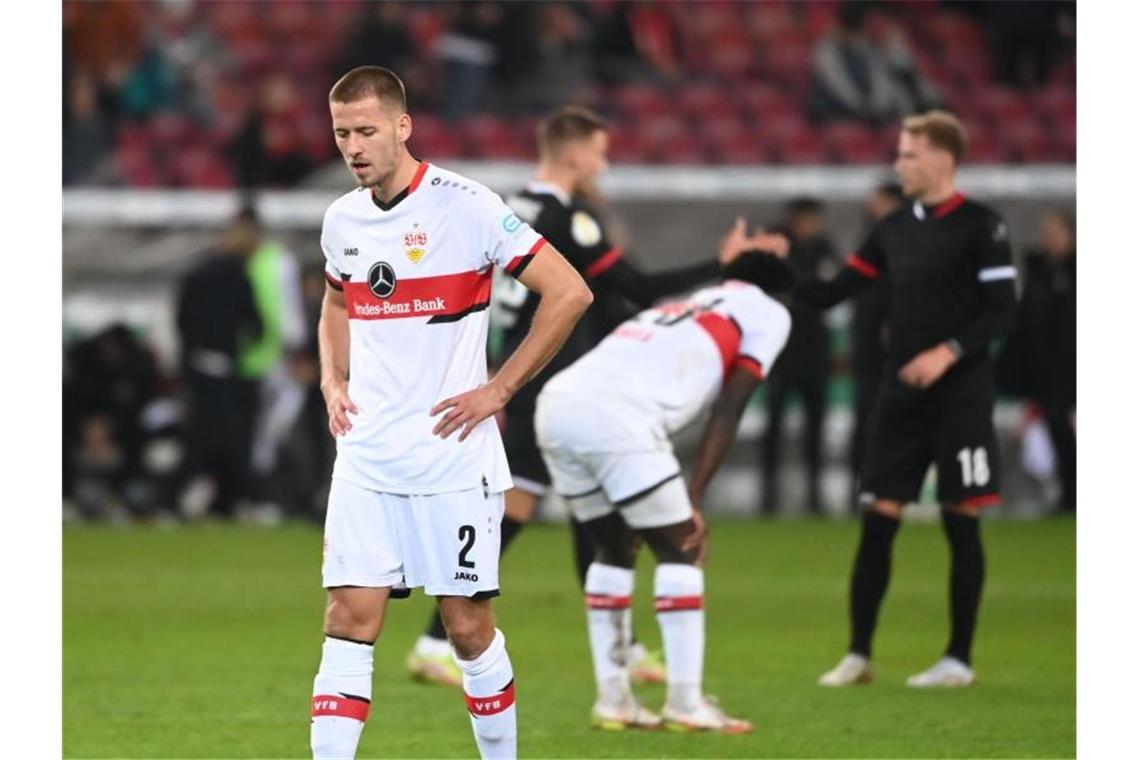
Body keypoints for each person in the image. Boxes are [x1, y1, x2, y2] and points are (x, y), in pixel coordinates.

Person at [405, 105, 781, 686]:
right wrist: (720, 265)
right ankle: (442, 639)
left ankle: (610, 649)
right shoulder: (566, 216)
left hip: (522, 374)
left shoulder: (516, 206)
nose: (603, 165)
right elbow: (631, 285)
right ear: (575, 152)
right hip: (548, 375)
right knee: (557, 512)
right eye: (600, 152)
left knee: (555, 512)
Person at [309, 66, 592, 760]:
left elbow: (570, 292)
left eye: (367, 130)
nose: (354, 145)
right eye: (343, 132)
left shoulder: (465, 206)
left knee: (466, 627)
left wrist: (499, 390)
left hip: (449, 456)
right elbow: (338, 301)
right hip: (367, 454)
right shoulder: (341, 219)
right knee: (349, 617)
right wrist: (331, 377)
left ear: (403, 126)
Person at [768, 111, 1018, 688]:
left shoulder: (983, 226)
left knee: (962, 522)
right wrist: (765, 270)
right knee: (878, 519)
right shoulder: (893, 228)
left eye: (909, 154)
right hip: (900, 397)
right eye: (899, 153)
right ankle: (858, 654)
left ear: (943, 158)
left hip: (962, 398)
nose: (898, 163)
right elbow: (834, 292)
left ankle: (958, 658)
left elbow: (1003, 310)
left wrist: (948, 353)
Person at [536, 251, 793, 731]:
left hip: (558, 404)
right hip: (617, 418)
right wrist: (694, 499)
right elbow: (731, 405)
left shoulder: (685, 303)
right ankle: (685, 702)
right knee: (683, 549)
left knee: (612, 550)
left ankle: (614, 702)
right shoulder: (771, 311)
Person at [176, 211, 263, 519]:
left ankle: (191, 493)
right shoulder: (239, 277)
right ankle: (236, 499)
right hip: (226, 368)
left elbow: (182, 321)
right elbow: (255, 324)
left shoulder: (196, 275)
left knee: (199, 435)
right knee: (232, 438)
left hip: (198, 366)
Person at [760, 198, 839, 515]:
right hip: (780, 349)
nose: (812, 226)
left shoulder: (824, 246)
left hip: (814, 349)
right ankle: (768, 493)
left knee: (815, 422)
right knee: (774, 422)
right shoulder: (776, 245)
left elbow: (835, 288)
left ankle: (815, 492)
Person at [997, 210, 1076, 511]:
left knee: (1058, 421)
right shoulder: (1040, 274)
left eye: (1055, 231)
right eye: (1046, 232)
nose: (1048, 238)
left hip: (1070, 367)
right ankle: (1068, 491)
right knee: (1053, 424)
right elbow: (1024, 323)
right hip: (1044, 368)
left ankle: (1072, 489)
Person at [849, 182, 903, 509]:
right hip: (868, 345)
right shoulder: (871, 240)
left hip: (898, 348)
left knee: (896, 417)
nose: (872, 205)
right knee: (866, 416)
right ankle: (863, 484)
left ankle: (894, 486)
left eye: (879, 201)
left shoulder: (908, 240)